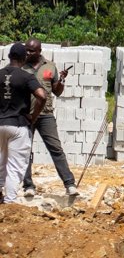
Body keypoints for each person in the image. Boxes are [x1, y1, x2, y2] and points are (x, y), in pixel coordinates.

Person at [20, 39, 77, 198]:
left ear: (39, 51)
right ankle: (28, 186)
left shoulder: (50, 66)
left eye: (31, 51)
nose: (28, 53)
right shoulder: (21, 67)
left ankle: (69, 184)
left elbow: (57, 92)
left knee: (56, 149)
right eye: (27, 50)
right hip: (26, 115)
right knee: (25, 151)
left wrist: (62, 80)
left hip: (45, 115)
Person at [1, 44, 48, 204]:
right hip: (19, 126)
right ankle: (9, 202)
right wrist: (33, 117)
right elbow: (41, 96)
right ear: (24, 58)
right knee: (14, 166)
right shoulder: (26, 76)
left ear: (9, 57)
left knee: (0, 163)